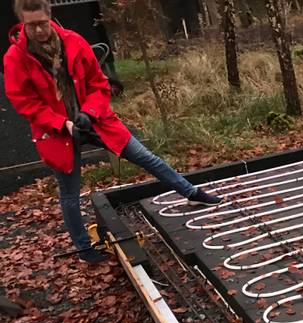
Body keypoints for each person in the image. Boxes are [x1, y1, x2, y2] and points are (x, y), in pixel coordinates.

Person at [4, 0, 220, 264]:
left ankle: (192, 193)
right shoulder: (16, 57)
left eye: (41, 23)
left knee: (145, 157)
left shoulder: (74, 42)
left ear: (50, 17)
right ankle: (84, 249)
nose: (37, 30)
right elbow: (25, 102)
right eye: (31, 25)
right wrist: (62, 124)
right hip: (57, 131)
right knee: (69, 192)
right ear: (22, 23)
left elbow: (99, 84)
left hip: (94, 120)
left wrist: (89, 113)